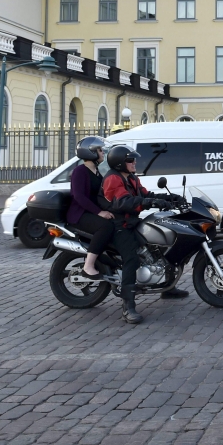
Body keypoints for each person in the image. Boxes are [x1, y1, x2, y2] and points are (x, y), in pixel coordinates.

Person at [102, 145, 158, 324]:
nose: (134, 162)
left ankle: (167, 288)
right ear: (120, 163)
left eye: (134, 159)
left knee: (157, 248)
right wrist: (148, 202)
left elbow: (144, 194)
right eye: (130, 160)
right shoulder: (113, 179)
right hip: (119, 226)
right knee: (131, 260)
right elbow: (124, 202)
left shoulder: (131, 177)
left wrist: (168, 199)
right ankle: (128, 307)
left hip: (132, 223)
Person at [66, 137, 116, 278]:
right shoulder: (80, 171)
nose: (103, 153)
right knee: (105, 226)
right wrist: (100, 212)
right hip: (79, 214)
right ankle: (88, 266)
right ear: (90, 152)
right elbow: (79, 196)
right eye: (100, 150)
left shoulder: (97, 171)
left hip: (90, 212)